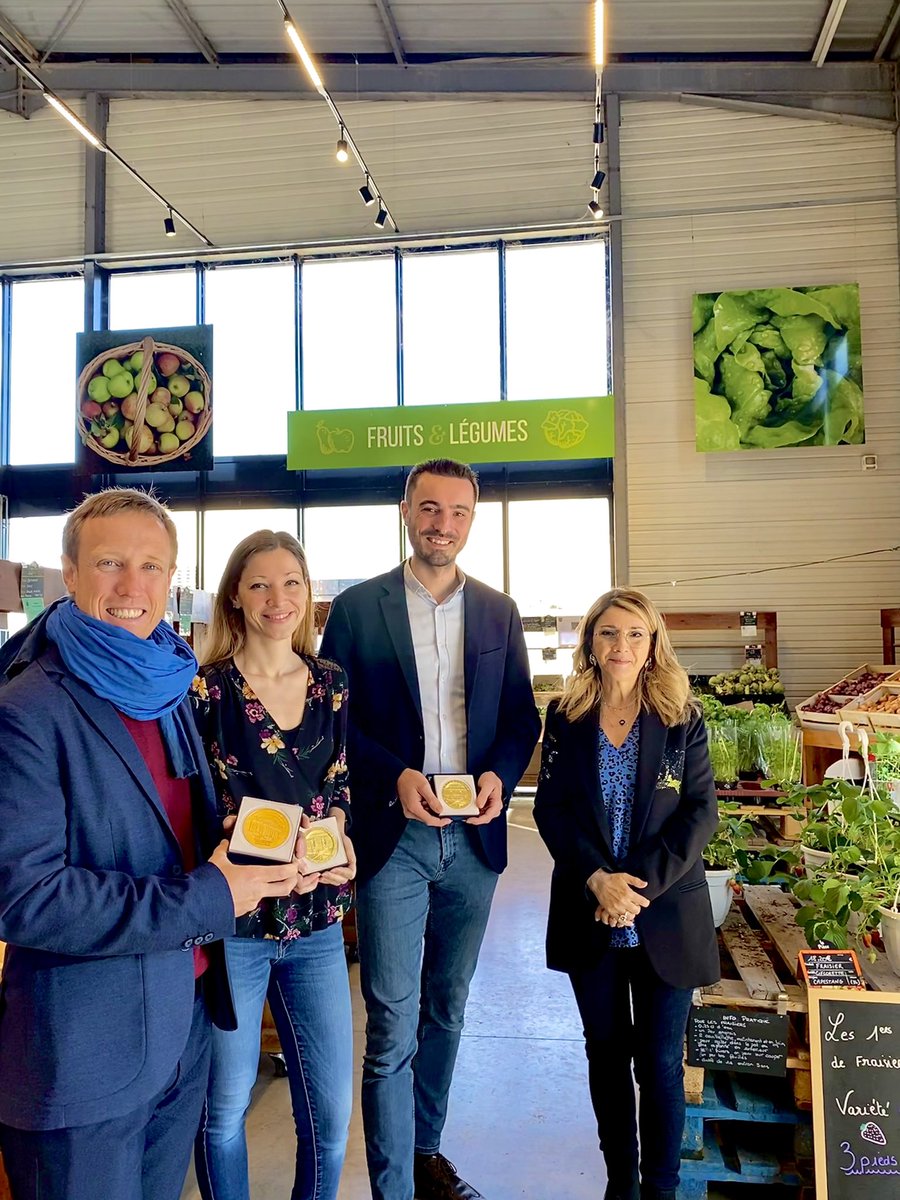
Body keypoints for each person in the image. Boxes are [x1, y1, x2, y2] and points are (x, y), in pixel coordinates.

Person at [0, 488, 304, 1200]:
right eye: (109, 563)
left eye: (151, 567)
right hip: (87, 1055)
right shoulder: (28, 710)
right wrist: (207, 896)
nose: (132, 586)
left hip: (184, 1019)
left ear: (172, 581)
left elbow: (170, 830)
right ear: (68, 575)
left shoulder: (167, 681)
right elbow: (25, 897)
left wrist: (239, 846)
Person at [320, 458, 540, 1200]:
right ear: (407, 511)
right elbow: (334, 719)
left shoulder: (497, 612)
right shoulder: (357, 609)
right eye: (430, 508)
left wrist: (499, 778)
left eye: (458, 511)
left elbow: (520, 719)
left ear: (472, 519)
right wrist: (395, 776)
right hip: (395, 835)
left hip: (473, 837)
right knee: (392, 1017)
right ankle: (391, 1187)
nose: (443, 523)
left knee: (448, 1003)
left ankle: (425, 1154)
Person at [533, 586, 719, 1200]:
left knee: (661, 1065)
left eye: (635, 634)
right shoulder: (565, 714)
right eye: (609, 632)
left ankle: (660, 1189)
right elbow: (553, 810)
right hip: (590, 907)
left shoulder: (680, 716)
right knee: (606, 1056)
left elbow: (699, 814)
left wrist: (632, 891)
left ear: (653, 644)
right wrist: (596, 880)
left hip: (662, 913)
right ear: (590, 640)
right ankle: (622, 1183)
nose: (622, 645)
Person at [191, 529, 356, 1200]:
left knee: (331, 1116)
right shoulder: (205, 691)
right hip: (235, 926)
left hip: (316, 921)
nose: (278, 597)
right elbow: (195, 804)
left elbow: (340, 785)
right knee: (225, 1110)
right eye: (260, 583)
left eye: (291, 582)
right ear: (236, 595)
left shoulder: (332, 684)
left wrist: (338, 839)